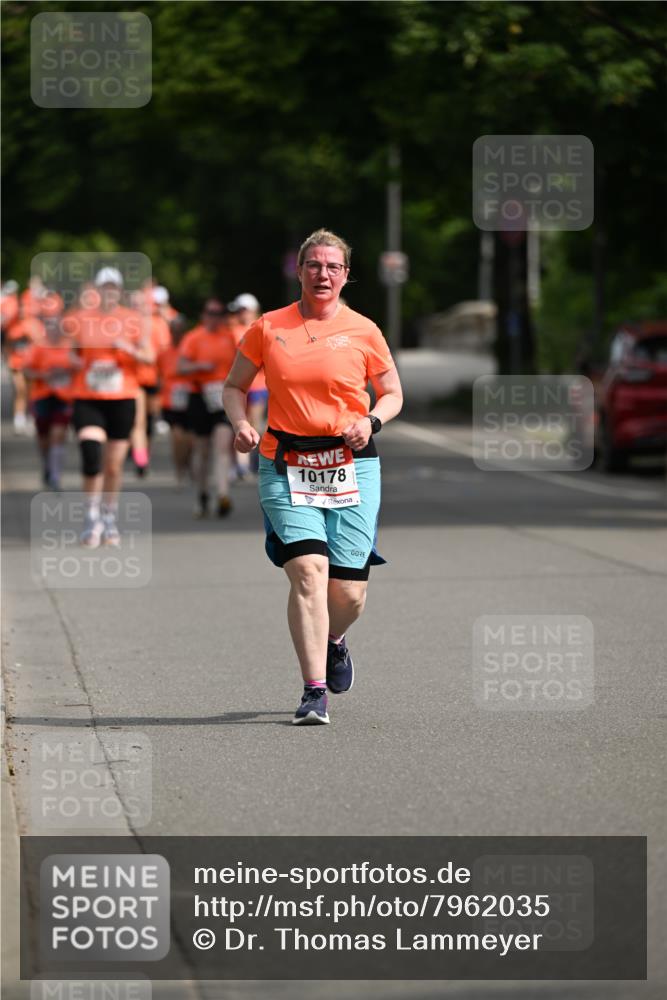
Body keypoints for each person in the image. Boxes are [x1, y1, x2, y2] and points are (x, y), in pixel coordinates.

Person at [224, 229, 403, 725]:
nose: (322, 274)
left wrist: (371, 421)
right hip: (285, 461)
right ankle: (313, 691)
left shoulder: (364, 330)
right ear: (298, 270)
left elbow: (391, 392)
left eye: (333, 267)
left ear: (346, 275)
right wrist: (241, 423)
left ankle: (334, 640)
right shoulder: (268, 327)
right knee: (307, 572)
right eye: (313, 265)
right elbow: (235, 386)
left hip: (351, 463)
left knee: (348, 593)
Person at [67, 267, 154, 547]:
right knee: (91, 455)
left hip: (122, 396)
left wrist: (129, 349)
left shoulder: (132, 320)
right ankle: (91, 518)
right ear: (97, 290)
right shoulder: (82, 318)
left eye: (113, 287)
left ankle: (109, 517)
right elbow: (69, 351)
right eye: (104, 287)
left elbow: (149, 356)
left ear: (119, 291)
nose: (109, 292)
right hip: (88, 395)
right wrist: (76, 361)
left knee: (114, 466)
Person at [177, 298, 237, 518]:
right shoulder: (193, 338)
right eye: (211, 312)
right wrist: (198, 366)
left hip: (222, 397)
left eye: (219, 313)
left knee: (222, 446)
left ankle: (223, 494)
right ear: (204, 315)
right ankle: (202, 494)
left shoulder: (230, 337)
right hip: (199, 396)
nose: (215, 317)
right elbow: (181, 366)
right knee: (202, 450)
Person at [23, 295, 76, 489]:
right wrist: (43, 375)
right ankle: (47, 465)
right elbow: (25, 370)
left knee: (58, 434)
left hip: (63, 397)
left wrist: (68, 371)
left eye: (57, 323)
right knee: (44, 438)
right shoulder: (38, 346)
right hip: (42, 396)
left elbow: (79, 367)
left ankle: (55, 475)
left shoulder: (70, 345)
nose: (54, 328)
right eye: (50, 324)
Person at [228, 293, 267, 480]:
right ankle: (242, 465)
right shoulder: (233, 330)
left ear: (253, 310)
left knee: (255, 424)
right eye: (240, 310)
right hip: (240, 384)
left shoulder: (261, 327)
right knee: (240, 423)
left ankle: (254, 460)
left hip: (259, 384)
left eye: (246, 309)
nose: (242, 313)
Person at [158, 314, 193, 485]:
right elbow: (158, 375)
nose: (177, 334)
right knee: (177, 437)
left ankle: (189, 464)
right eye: (174, 331)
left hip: (189, 397)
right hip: (170, 400)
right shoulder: (164, 352)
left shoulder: (190, 350)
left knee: (190, 439)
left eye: (180, 331)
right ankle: (179, 471)